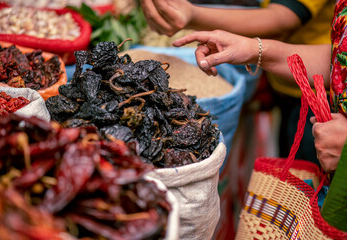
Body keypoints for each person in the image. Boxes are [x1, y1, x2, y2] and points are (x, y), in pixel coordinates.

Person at [140, 0, 335, 164]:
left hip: (320, 101)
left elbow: (283, 18)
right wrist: (253, 49)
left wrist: (192, 15)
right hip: (292, 83)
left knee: (307, 171)